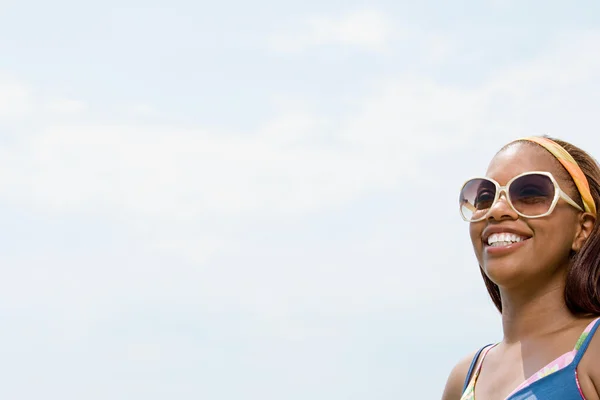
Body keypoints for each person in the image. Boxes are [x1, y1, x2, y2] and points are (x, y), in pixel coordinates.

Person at [442, 136, 600, 400]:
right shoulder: (464, 379)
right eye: (484, 196)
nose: (497, 209)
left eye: (529, 193)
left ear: (581, 229)